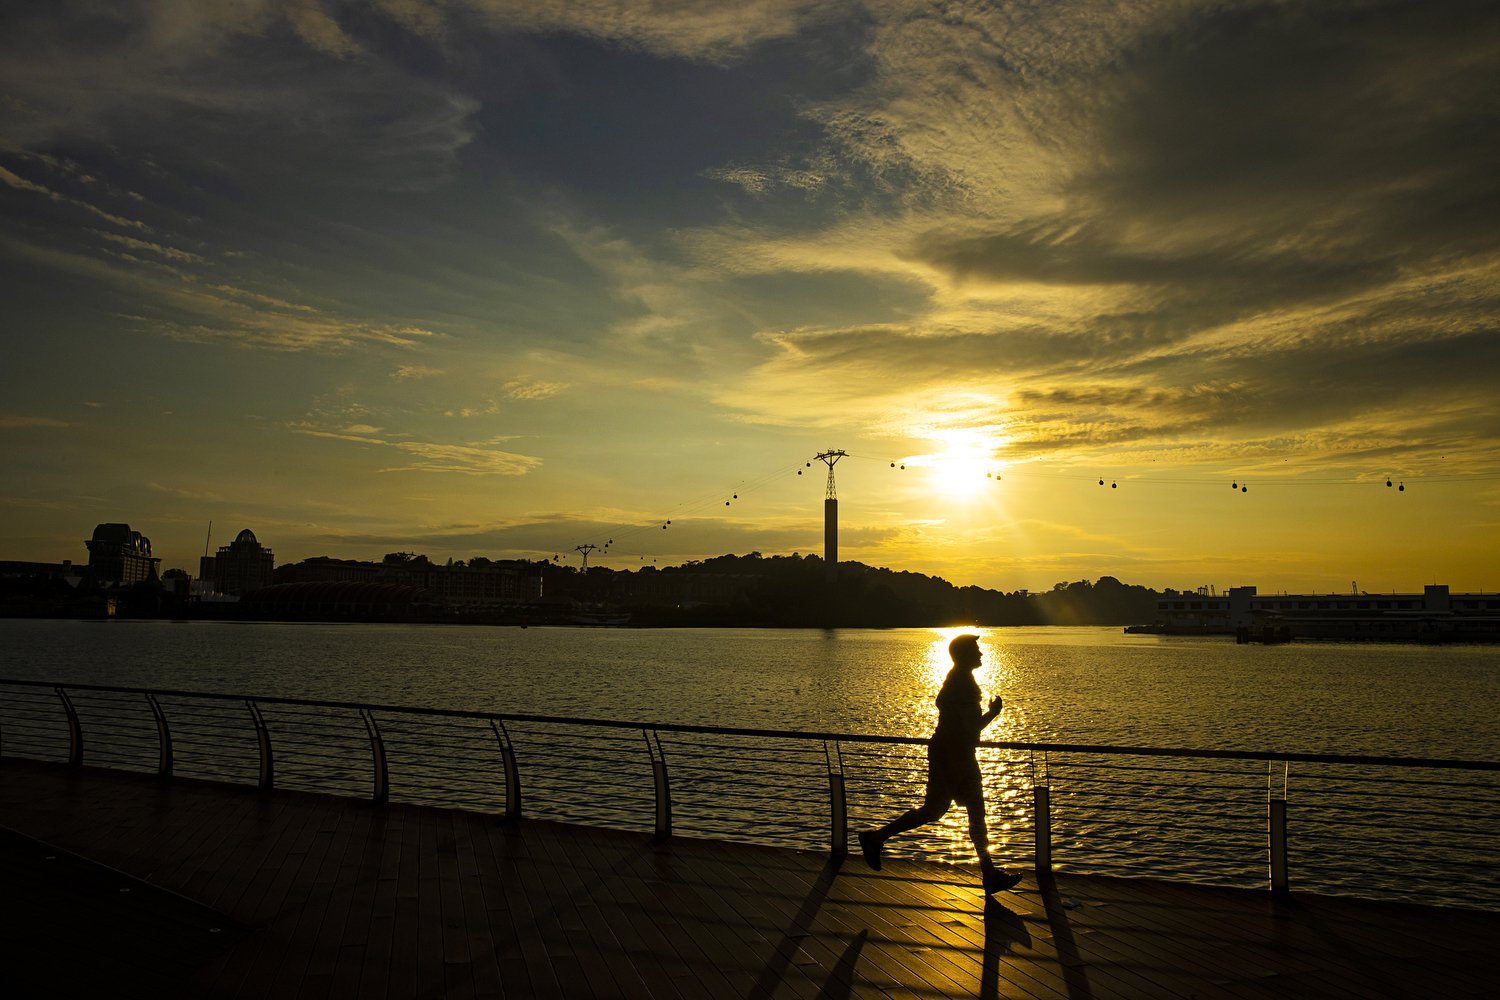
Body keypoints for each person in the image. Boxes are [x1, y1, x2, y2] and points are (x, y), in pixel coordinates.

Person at [858, 633, 1023, 894]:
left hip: (957, 754)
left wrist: (987, 717)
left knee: (970, 814)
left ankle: (989, 873)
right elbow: (969, 728)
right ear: (965, 654)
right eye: (976, 650)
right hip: (952, 756)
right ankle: (875, 838)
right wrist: (993, 714)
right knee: (937, 811)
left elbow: (964, 726)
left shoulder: (961, 680)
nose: (981, 654)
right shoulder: (963, 684)